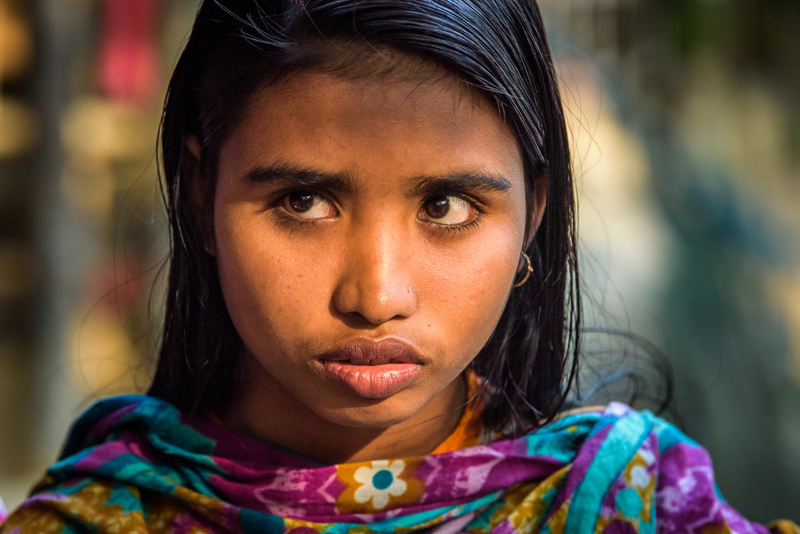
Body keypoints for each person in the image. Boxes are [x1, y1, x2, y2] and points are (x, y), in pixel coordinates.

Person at [1, 1, 797, 532]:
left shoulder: (631, 510)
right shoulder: (93, 519)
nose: (376, 295)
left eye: (447, 208)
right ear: (203, 191)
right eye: (304, 202)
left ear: (536, 213)